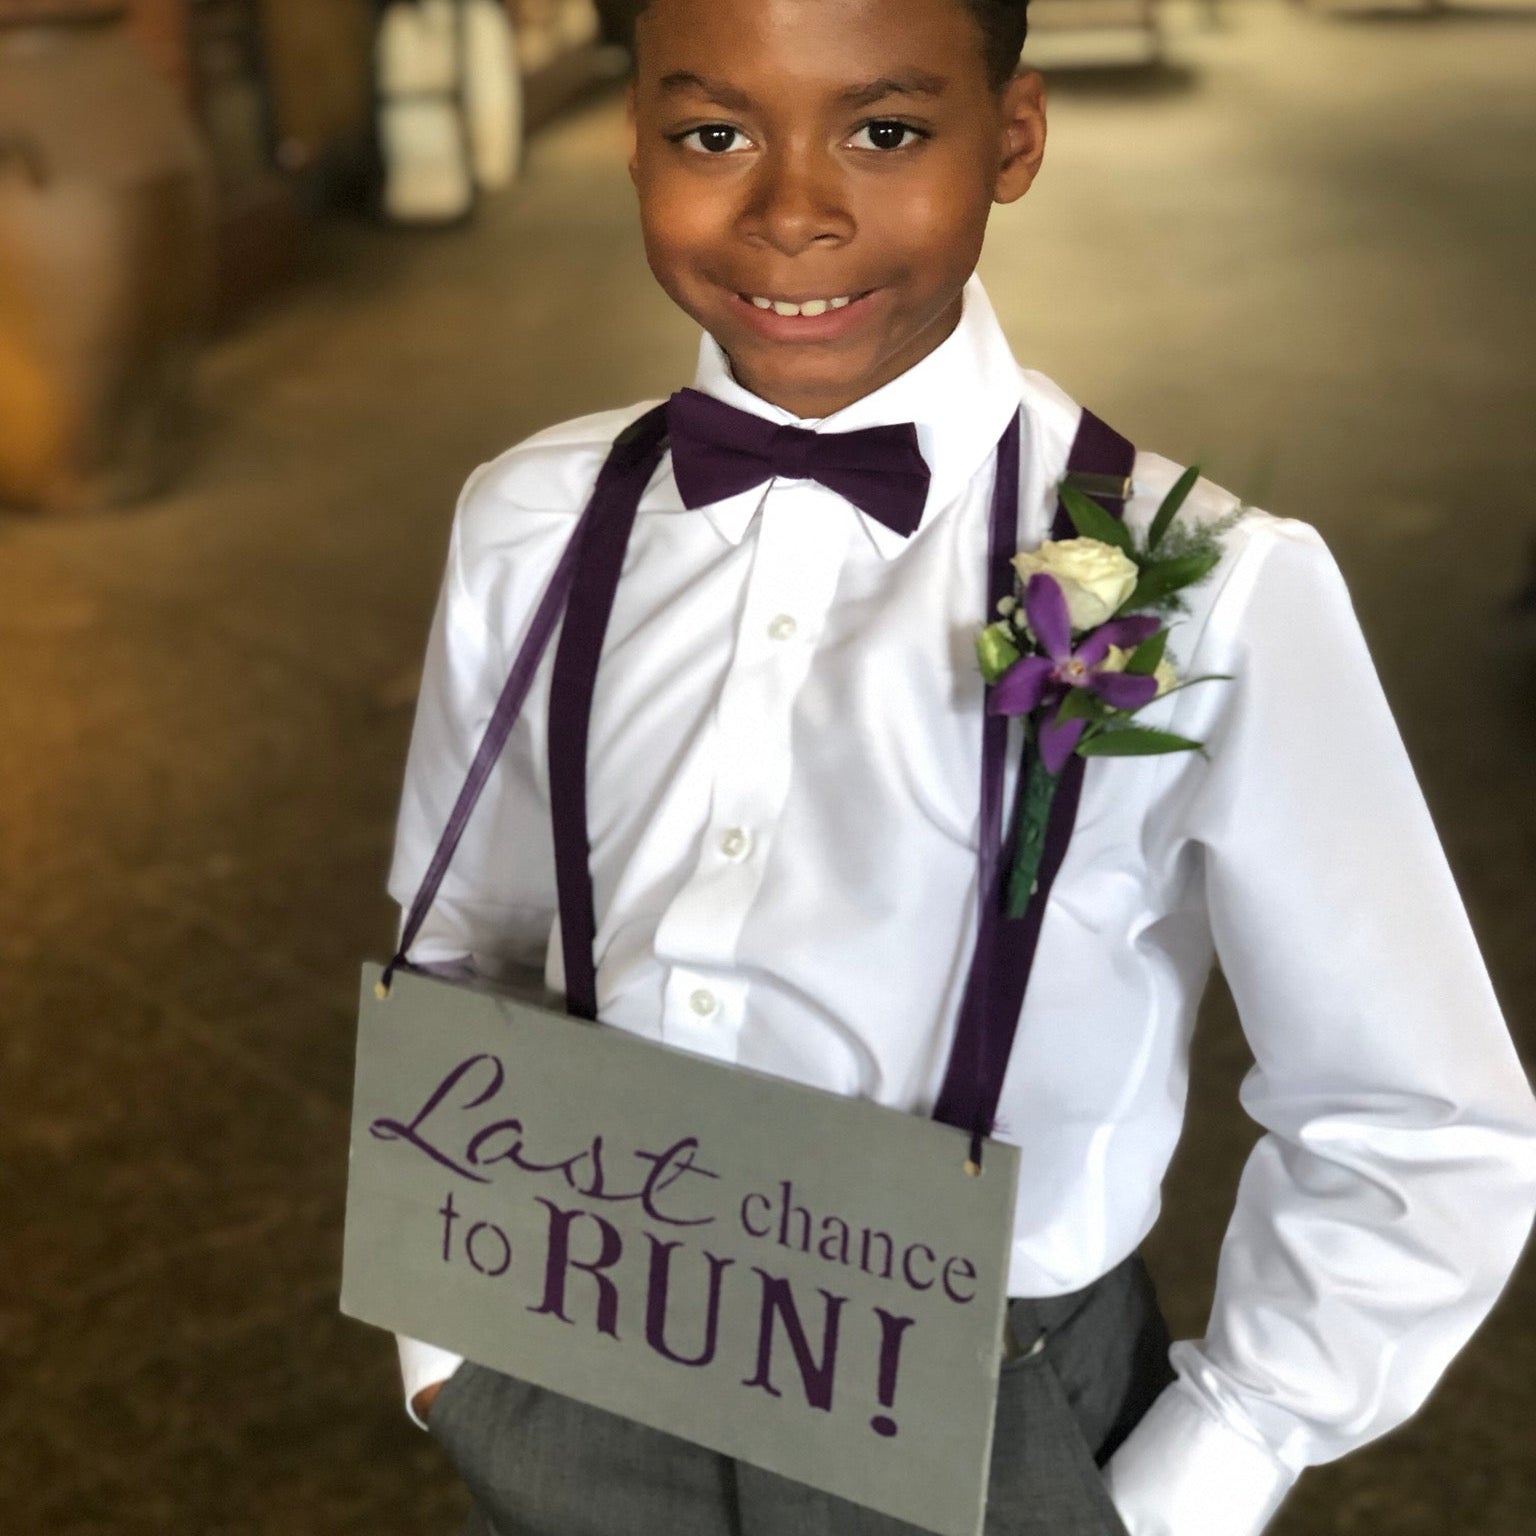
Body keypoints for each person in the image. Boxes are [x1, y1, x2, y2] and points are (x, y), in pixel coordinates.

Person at [385, 1, 1536, 1533]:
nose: (793, 209)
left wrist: (1208, 1465)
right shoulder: (530, 517)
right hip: (584, 1331)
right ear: (634, 140)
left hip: (982, 1406)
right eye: (713, 134)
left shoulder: (1206, 582)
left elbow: (1418, 1111)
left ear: (1013, 139)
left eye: (885, 131)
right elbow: (462, 933)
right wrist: (448, 1348)